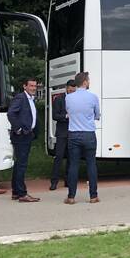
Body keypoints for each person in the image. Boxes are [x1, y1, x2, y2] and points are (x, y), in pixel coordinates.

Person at [65, 71, 101, 204]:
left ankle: (71, 196)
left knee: (73, 165)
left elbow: (68, 112)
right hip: (89, 133)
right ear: (85, 82)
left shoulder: (68, 97)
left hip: (73, 133)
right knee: (91, 164)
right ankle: (93, 196)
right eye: (89, 80)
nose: (89, 82)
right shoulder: (93, 97)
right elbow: (97, 114)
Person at [7, 78, 40, 202]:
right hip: (21, 136)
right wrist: (18, 129)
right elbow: (11, 113)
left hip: (27, 135)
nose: (33, 88)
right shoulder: (21, 98)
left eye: (35, 86)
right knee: (21, 164)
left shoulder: (30, 99)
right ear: (24, 86)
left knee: (19, 163)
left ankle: (16, 191)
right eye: (31, 86)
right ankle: (22, 193)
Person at [49, 78, 76, 190]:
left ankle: (68, 180)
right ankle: (54, 181)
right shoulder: (59, 99)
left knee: (71, 157)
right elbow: (55, 116)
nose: (72, 93)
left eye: (74, 91)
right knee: (59, 157)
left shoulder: (76, 99)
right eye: (70, 91)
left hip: (72, 131)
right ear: (66, 88)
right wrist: (66, 116)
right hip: (62, 132)